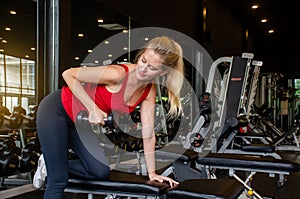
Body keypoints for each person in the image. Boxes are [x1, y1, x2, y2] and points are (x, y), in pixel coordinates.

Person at [34, 36, 184, 199]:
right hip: (57, 110)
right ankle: (53, 164)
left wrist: (152, 173)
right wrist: (93, 108)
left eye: (152, 68)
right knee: (58, 180)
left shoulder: (149, 91)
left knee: (100, 171)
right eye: (143, 60)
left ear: (163, 72)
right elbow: (69, 74)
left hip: (78, 121)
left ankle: (50, 163)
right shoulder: (117, 74)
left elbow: (148, 134)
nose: (143, 69)